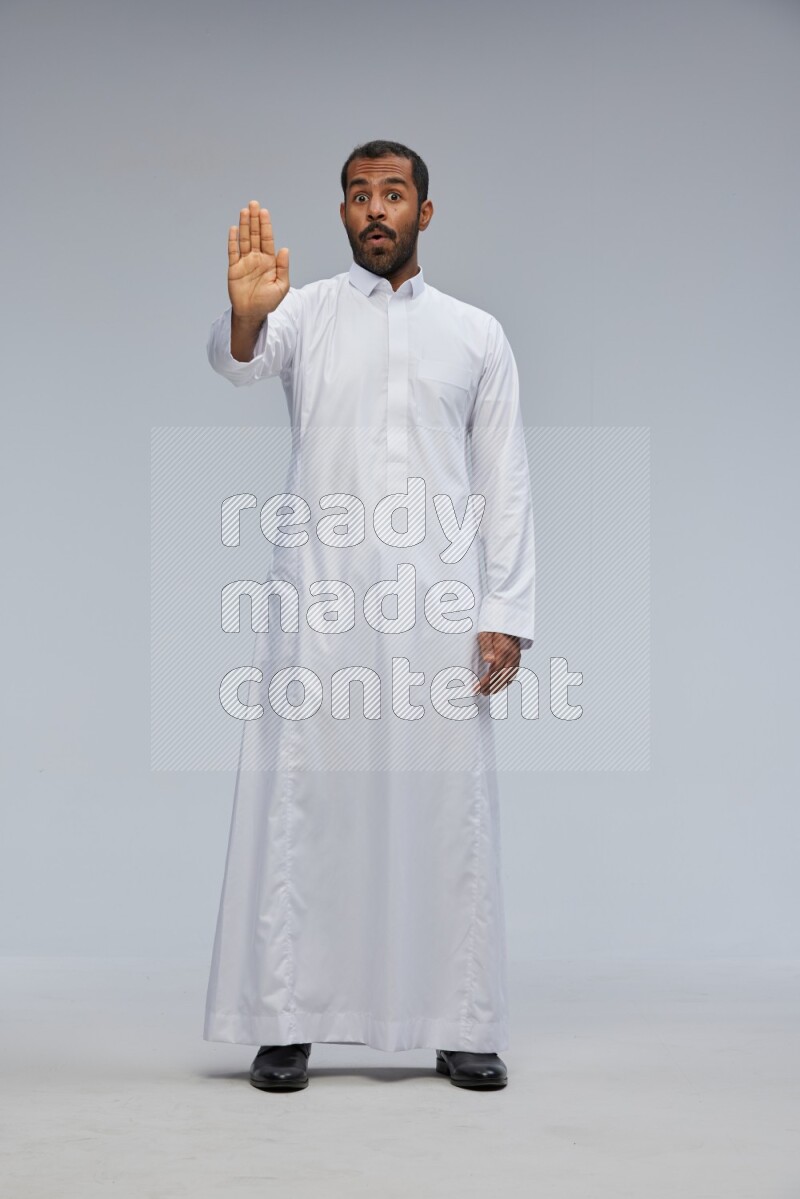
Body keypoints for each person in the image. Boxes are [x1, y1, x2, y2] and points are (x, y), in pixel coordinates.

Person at [204, 139, 536, 1092]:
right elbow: (239, 365)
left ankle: (459, 1018)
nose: (376, 210)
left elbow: (503, 480)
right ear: (343, 213)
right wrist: (241, 315)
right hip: (321, 602)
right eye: (359, 196)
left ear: (425, 212)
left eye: (394, 194)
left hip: (438, 608)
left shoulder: (477, 335)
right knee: (308, 805)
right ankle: (287, 1019)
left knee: (446, 810)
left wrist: (505, 609)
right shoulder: (302, 314)